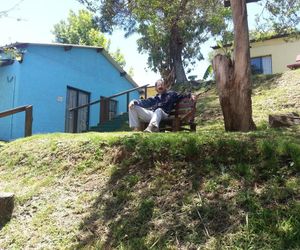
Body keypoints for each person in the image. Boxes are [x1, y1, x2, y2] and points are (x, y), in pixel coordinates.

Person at [128, 79, 196, 132]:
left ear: (165, 86)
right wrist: (134, 101)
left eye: (162, 85)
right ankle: (136, 128)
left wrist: (191, 95)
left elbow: (182, 95)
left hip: (164, 114)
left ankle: (152, 127)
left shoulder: (172, 94)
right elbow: (145, 102)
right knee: (133, 106)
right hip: (153, 115)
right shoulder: (155, 98)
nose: (160, 86)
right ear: (156, 88)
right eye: (158, 85)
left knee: (159, 110)